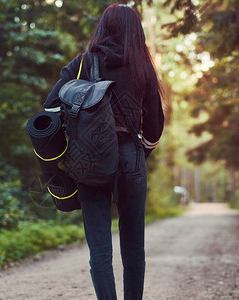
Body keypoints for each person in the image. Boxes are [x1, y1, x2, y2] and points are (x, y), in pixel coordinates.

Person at [44, 3, 164, 299]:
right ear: (135, 32)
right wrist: (137, 154)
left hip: (91, 160)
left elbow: (50, 108)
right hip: (131, 158)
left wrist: (78, 132)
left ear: (103, 27)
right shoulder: (142, 67)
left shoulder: (83, 64)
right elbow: (154, 128)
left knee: (99, 249)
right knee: (133, 246)